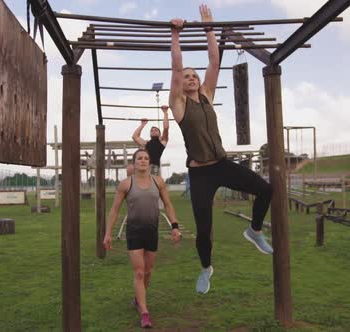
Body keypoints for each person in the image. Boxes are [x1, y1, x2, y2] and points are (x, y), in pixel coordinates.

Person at [168, 5, 273, 295]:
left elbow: (214, 61)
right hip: (200, 173)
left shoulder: (207, 97)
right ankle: (206, 268)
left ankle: (254, 231)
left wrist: (209, 26)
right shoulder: (179, 105)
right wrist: (175, 35)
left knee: (265, 189)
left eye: (194, 76)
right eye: (187, 77)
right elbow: (176, 68)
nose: (191, 78)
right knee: (203, 231)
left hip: (222, 164)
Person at [104, 149, 182, 328]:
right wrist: (108, 233)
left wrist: (175, 226)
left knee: (148, 272)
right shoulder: (126, 184)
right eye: (139, 158)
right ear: (134, 162)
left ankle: (138, 298)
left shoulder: (158, 182)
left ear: (150, 162)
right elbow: (114, 210)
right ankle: (145, 313)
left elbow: (168, 204)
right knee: (139, 272)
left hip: (151, 231)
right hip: (134, 232)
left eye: (146, 158)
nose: (143, 161)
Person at [132, 105, 170, 176]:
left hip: (154, 167)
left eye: (156, 130)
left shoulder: (162, 142)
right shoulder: (146, 143)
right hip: (144, 166)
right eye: (151, 130)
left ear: (159, 134)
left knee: (152, 185)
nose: (153, 131)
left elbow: (166, 128)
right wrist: (142, 125)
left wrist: (165, 113)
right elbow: (135, 137)